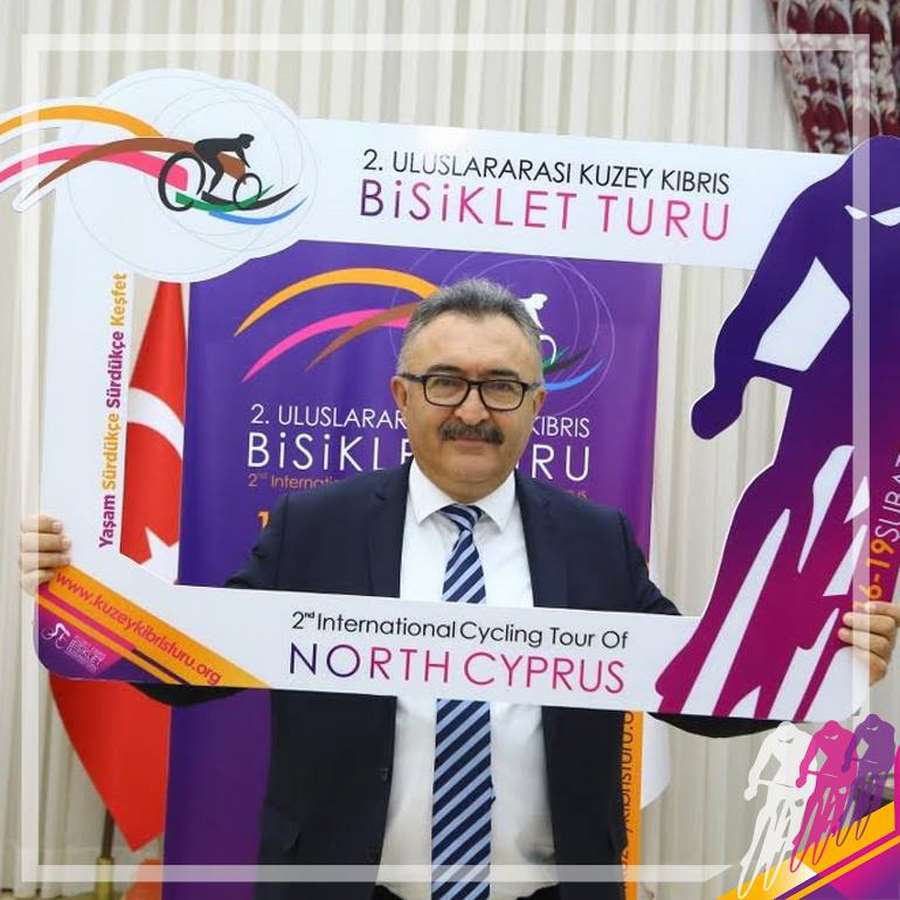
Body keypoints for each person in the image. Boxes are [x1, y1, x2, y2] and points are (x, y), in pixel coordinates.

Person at [21, 279, 899, 900]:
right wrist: (78, 599)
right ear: (402, 397)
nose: (473, 410)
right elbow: (191, 669)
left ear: (536, 404)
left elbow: (693, 689)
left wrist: (821, 663)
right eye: (446, 382)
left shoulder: (596, 542)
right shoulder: (314, 529)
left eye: (502, 386)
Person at [192, 132, 254, 197]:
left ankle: (209, 191)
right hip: (203, 147)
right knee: (220, 171)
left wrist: (248, 165)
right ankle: (209, 192)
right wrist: (248, 165)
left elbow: (243, 158)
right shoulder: (236, 145)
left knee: (219, 171)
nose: (249, 144)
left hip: (203, 146)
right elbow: (242, 157)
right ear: (243, 140)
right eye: (248, 142)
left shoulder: (236, 144)